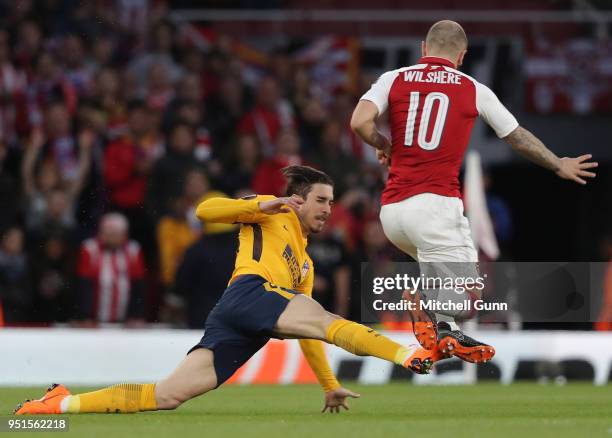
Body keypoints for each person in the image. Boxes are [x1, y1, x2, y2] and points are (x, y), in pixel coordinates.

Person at [15, 166, 444, 416]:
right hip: (251, 293)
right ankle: (409, 354)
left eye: (331, 203)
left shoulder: (306, 263)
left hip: (244, 318)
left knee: (167, 396)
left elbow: (312, 333)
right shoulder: (271, 212)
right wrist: (261, 203)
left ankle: (58, 405)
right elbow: (204, 210)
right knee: (329, 320)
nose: (328, 210)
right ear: (297, 199)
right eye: (321, 200)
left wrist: (328, 384)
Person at [350, 20, 598, 362]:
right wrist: (558, 163)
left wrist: (383, 143)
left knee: (444, 287)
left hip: (393, 213)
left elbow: (359, 122)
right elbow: (516, 136)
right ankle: (423, 301)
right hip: (436, 208)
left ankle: (445, 334)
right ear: (462, 56)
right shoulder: (473, 88)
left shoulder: (393, 77)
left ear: (424, 48)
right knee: (470, 298)